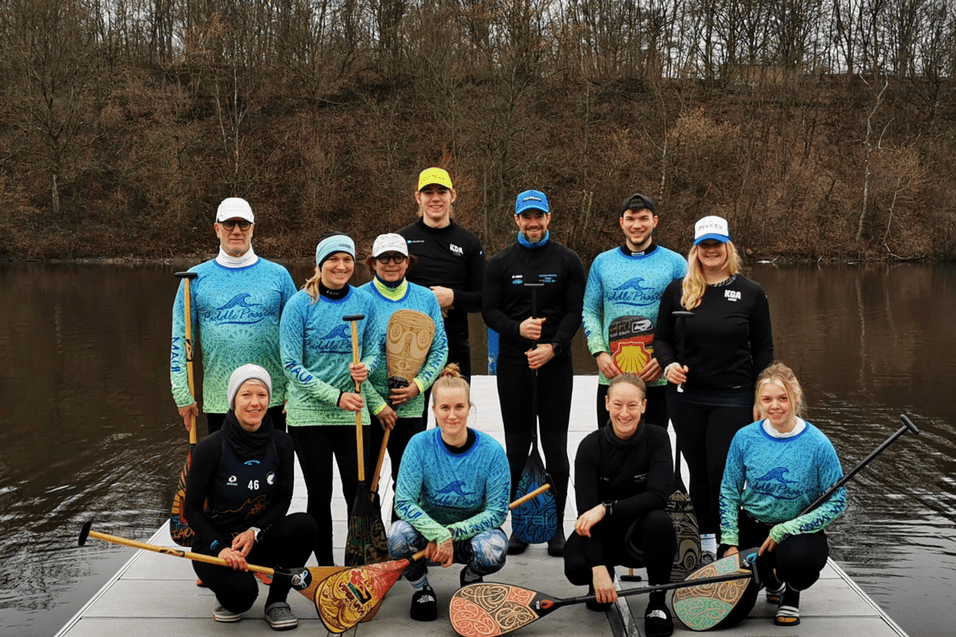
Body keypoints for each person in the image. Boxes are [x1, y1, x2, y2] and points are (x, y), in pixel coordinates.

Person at [653, 215, 774, 564]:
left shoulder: (751, 292)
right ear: (695, 249)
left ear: (727, 247)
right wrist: (668, 364)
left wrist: (760, 395)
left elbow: (764, 348)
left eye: (716, 244)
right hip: (686, 397)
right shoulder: (678, 289)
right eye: (704, 245)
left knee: (722, 471)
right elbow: (661, 339)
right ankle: (705, 540)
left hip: (734, 396)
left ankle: (729, 541)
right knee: (698, 471)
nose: (711, 251)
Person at [482, 189, 586, 557]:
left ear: (548, 218)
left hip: (555, 364)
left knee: (555, 449)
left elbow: (575, 312)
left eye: (538, 216)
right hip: (514, 364)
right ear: (516, 220)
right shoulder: (500, 263)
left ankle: (554, 523)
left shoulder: (568, 260)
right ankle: (522, 523)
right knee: (516, 448)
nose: (533, 223)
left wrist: (552, 347)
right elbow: (489, 310)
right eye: (526, 217)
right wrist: (517, 330)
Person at [184, 364, 317, 630]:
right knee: (241, 598)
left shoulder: (282, 443)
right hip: (216, 545)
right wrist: (219, 548)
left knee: (305, 525)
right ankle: (225, 591)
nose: (255, 403)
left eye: (262, 395)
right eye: (246, 395)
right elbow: (193, 511)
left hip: (257, 537)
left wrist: (254, 531)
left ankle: (277, 601)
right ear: (233, 399)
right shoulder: (210, 447)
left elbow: (282, 501)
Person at [720, 362, 846, 627]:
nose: (774, 406)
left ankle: (791, 591)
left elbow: (837, 500)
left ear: (795, 398)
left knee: (797, 561)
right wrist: (729, 542)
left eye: (782, 398)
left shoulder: (818, 444)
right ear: (758, 402)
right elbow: (730, 490)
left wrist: (787, 529)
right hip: (753, 526)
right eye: (767, 399)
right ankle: (771, 578)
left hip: (797, 532)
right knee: (733, 612)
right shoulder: (744, 438)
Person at [279, 232, 377, 565]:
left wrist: (367, 367)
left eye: (347, 259)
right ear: (320, 265)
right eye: (332, 259)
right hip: (309, 416)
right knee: (319, 496)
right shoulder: (299, 304)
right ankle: (326, 568)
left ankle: (357, 562)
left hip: (354, 415)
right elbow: (291, 364)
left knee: (356, 491)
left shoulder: (364, 302)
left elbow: (375, 348)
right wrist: (336, 397)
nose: (340, 265)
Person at [387, 364, 510, 622]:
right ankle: (422, 589)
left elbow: (497, 513)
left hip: (470, 535)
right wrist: (437, 534)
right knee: (397, 536)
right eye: (444, 408)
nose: (452, 415)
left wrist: (451, 534)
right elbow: (404, 503)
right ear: (433, 410)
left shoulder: (492, 452)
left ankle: (471, 578)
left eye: (459, 407)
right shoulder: (419, 445)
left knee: (494, 548)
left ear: (469, 407)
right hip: (428, 537)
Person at [170, 197, 297, 435]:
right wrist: (181, 393)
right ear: (217, 229)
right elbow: (180, 340)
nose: (236, 231)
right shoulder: (193, 280)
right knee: (226, 469)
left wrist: (294, 389)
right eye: (229, 224)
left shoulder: (279, 275)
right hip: (220, 399)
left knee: (274, 468)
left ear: (253, 228)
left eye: (243, 224)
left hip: (272, 398)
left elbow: (296, 336)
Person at [563, 374, 676, 637]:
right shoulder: (590, 446)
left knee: (661, 521)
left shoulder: (658, 438)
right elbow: (586, 514)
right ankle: (600, 581)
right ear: (606, 403)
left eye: (632, 405)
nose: (624, 413)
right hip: (603, 534)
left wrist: (607, 508)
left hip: (641, 533)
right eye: (618, 404)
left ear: (644, 406)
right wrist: (598, 568)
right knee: (576, 566)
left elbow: (659, 495)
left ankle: (657, 603)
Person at [359, 233, 448, 514]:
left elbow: (440, 349)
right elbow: (353, 358)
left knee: (408, 480)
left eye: (398, 257)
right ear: (373, 263)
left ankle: (405, 541)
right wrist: (377, 404)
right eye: (383, 258)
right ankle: (371, 544)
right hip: (369, 406)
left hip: (410, 405)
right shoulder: (359, 297)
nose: (391, 264)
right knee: (367, 482)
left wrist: (417, 386)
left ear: (408, 262)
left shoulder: (425, 298)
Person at [582, 193, 687, 430]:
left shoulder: (676, 263)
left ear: (655, 221)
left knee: (655, 444)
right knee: (611, 447)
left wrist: (666, 359)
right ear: (621, 222)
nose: (637, 225)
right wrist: (599, 352)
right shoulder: (602, 262)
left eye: (643, 218)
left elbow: (687, 317)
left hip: (657, 376)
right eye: (630, 218)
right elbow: (589, 309)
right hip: (613, 374)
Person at [397, 168, 485, 384]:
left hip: (454, 345)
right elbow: (385, 292)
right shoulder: (401, 240)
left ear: (452, 195)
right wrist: (428, 302)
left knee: (453, 414)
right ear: (418, 197)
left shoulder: (469, 242)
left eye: (441, 192)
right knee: (412, 416)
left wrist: (453, 297)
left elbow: (482, 298)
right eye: (428, 192)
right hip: (408, 346)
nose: (435, 198)